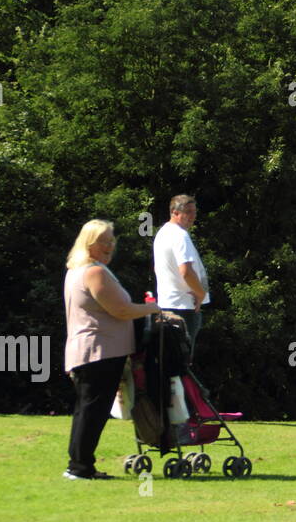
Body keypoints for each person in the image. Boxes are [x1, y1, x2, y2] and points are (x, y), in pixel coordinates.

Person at [63, 219, 160, 479]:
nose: (110, 246)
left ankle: (78, 465)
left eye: (112, 240)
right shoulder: (94, 273)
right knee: (93, 410)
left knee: (86, 409)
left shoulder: (76, 270)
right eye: (103, 241)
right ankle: (81, 468)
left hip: (87, 351)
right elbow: (121, 309)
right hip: (100, 352)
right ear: (89, 243)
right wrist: (153, 308)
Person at [153, 194, 209, 357]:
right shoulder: (180, 235)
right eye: (188, 212)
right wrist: (200, 293)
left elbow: (157, 268)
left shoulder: (162, 233)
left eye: (194, 212)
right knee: (182, 361)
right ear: (175, 213)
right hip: (185, 306)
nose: (193, 216)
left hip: (167, 304)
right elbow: (185, 270)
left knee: (170, 360)